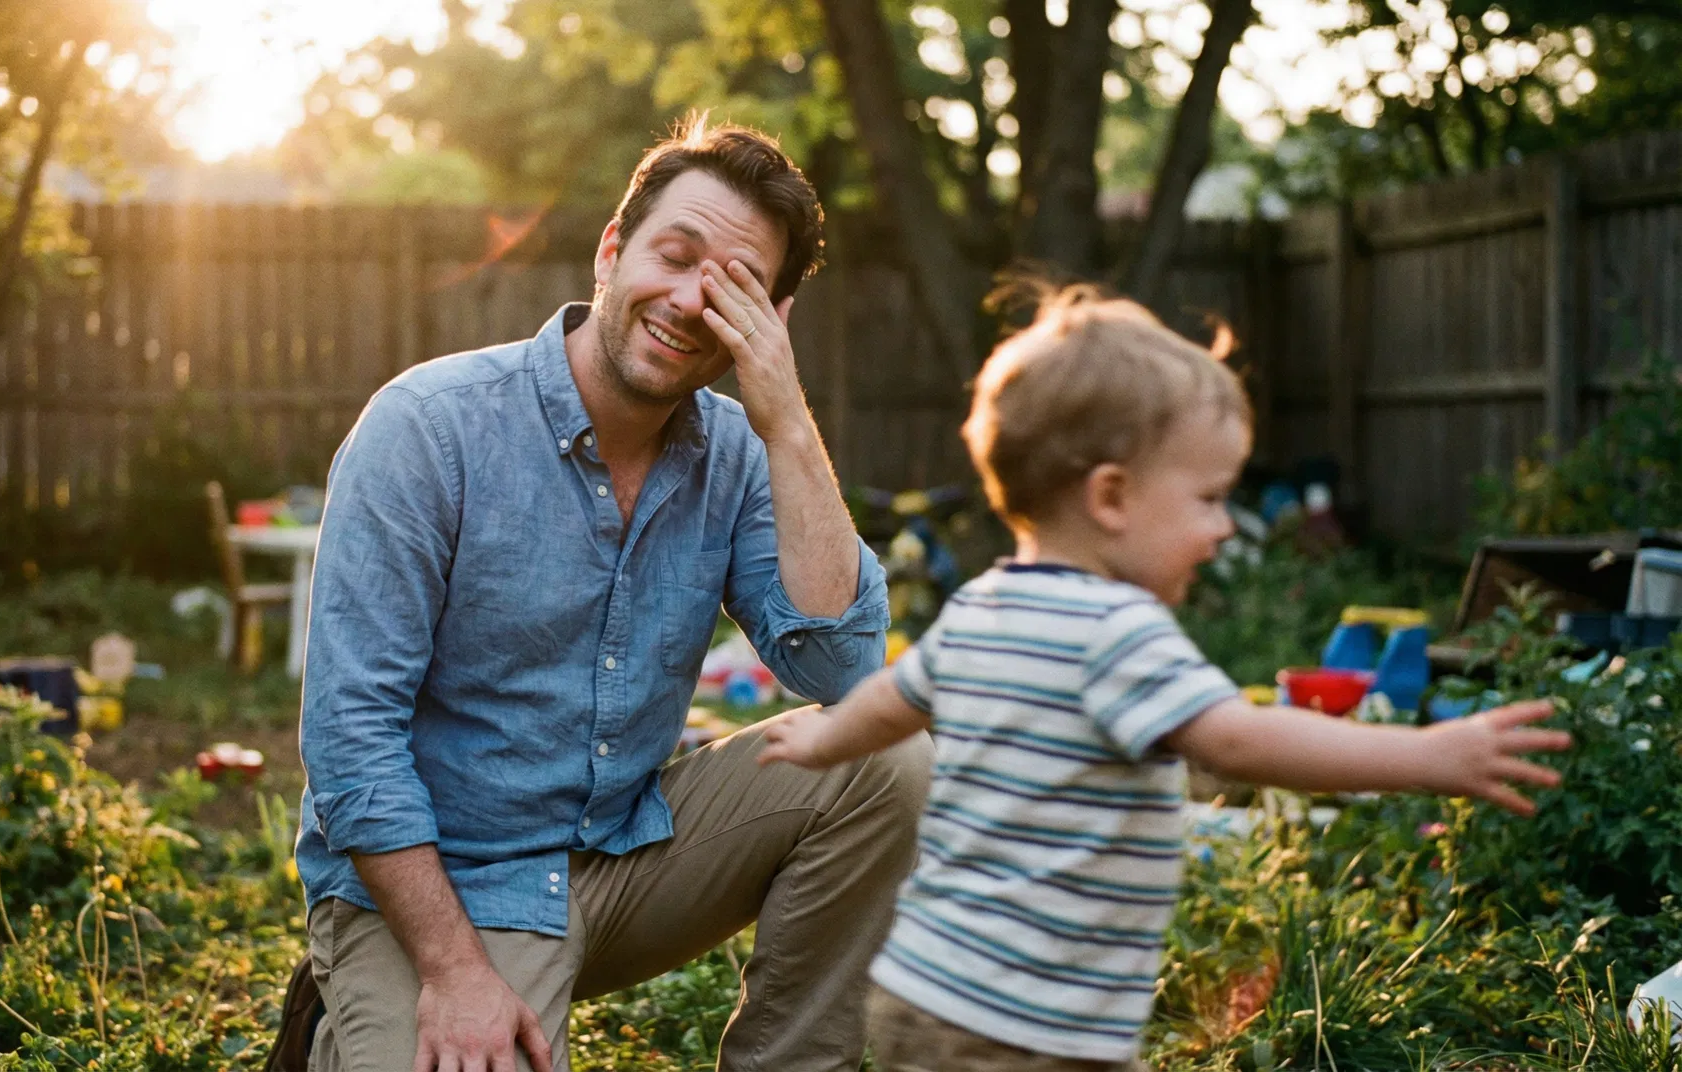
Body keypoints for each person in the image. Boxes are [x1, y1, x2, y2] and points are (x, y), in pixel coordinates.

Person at [757, 287, 1571, 1072]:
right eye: (1209, 499)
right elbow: (1237, 741)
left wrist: (826, 740)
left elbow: (893, 700)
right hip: (1029, 1024)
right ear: (1111, 496)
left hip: (929, 993)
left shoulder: (982, 605)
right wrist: (1429, 756)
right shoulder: (1116, 631)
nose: (1223, 529)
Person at [276, 116, 931, 1072]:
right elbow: (350, 739)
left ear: (770, 319)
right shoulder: (428, 428)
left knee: (887, 760)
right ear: (612, 250)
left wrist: (787, 421)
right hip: (444, 888)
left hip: (626, 858)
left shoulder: (741, 454)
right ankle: (348, 1015)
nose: (690, 300)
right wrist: (455, 975)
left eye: (734, 285)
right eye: (675, 256)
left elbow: (845, 672)